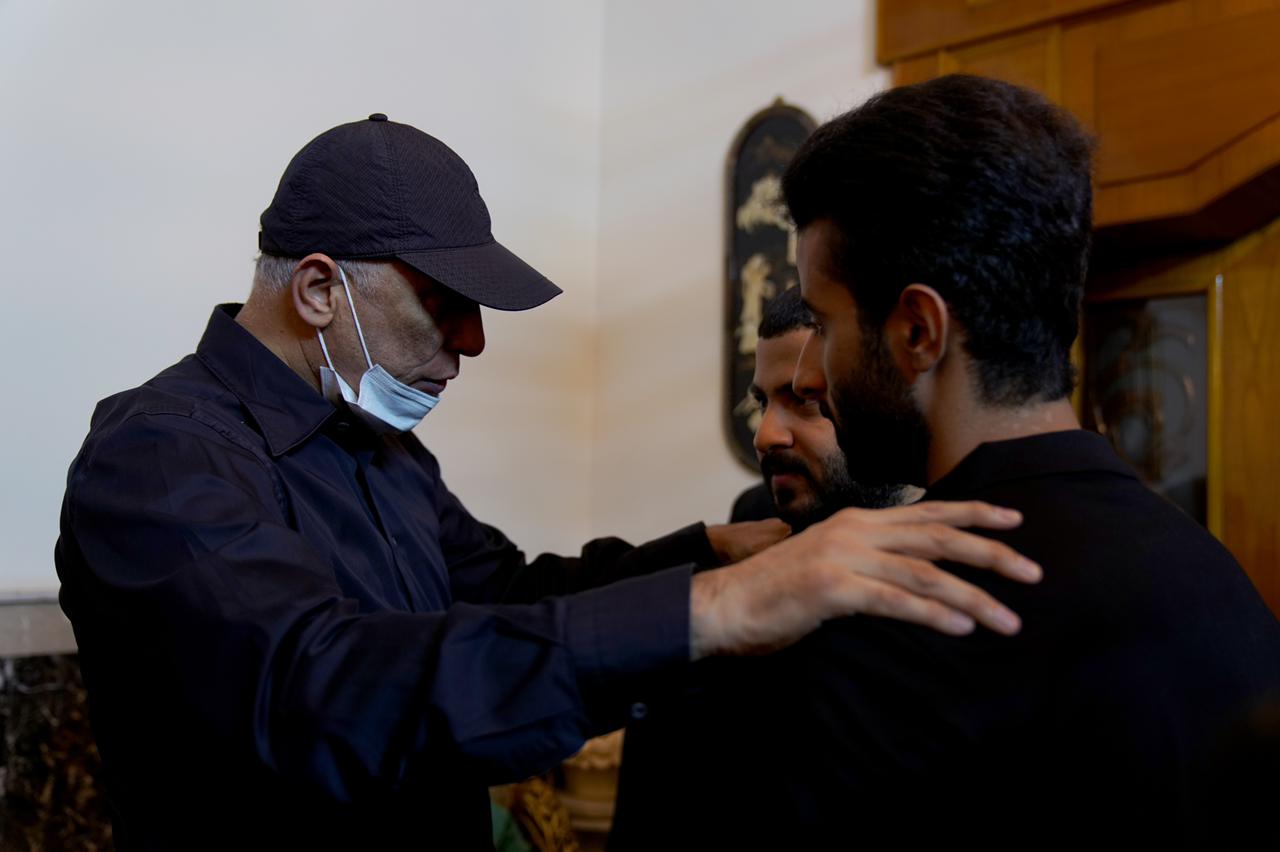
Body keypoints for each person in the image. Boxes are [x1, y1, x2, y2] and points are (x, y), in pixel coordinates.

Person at [55, 114, 1040, 850]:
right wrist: (716, 610)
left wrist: (714, 554)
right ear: (319, 289)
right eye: (444, 305)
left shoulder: (384, 451)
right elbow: (320, 688)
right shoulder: (161, 458)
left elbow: (505, 595)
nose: (473, 342)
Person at [611, 75, 1280, 850]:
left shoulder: (901, 621)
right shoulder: (1216, 579)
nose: (810, 377)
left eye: (824, 325)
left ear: (918, 332)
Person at [730, 286, 914, 528]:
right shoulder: (754, 518)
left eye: (805, 398)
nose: (763, 437)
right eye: (762, 403)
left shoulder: (959, 529)